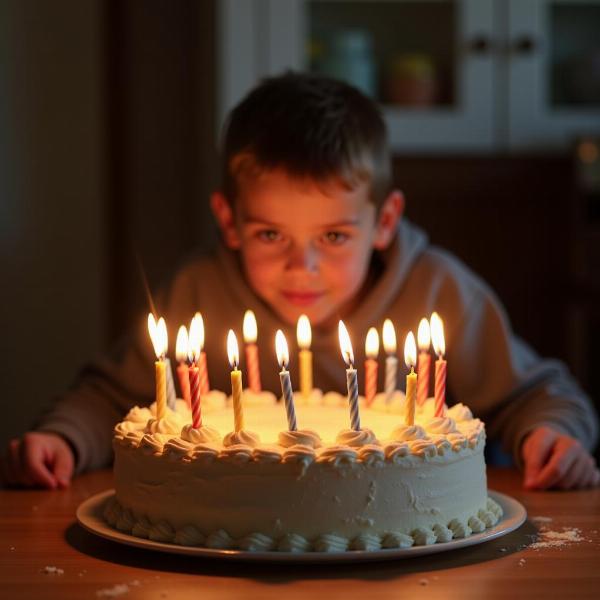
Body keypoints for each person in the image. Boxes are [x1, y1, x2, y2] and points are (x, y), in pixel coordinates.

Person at [2, 72, 598, 492]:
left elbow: (542, 394)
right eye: (271, 236)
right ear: (230, 221)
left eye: (334, 237)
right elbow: (111, 396)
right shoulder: (201, 291)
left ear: (384, 221)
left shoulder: (441, 292)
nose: (302, 268)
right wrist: (64, 438)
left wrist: (553, 436)